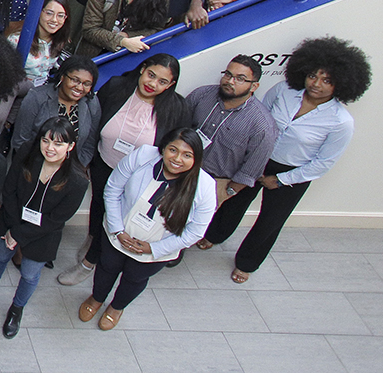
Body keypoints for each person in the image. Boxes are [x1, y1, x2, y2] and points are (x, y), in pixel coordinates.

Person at [201, 37, 369, 283]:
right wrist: (252, 163)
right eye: (313, 76)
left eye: (327, 81)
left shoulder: (341, 121)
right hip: (256, 158)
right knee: (233, 201)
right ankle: (213, 235)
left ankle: (247, 263)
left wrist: (280, 180)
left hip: (292, 173)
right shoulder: (283, 91)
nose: (316, 84)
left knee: (270, 221)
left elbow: (323, 163)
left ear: (342, 84)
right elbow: (256, 120)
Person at [58, 53, 191, 286]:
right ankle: (92, 239)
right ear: (142, 69)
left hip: (138, 177)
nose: (152, 84)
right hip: (104, 163)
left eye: (162, 81)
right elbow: (95, 120)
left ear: (171, 85)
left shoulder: (176, 107)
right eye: (151, 75)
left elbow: (176, 146)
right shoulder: (117, 86)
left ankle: (89, 263)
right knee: (98, 205)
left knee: (117, 216)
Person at [81, 128, 214, 330]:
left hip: (155, 249)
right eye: (173, 150)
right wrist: (118, 230)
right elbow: (113, 189)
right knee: (106, 268)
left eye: (187, 155)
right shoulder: (143, 156)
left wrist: (152, 249)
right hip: (118, 234)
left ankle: (116, 308)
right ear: (163, 148)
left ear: (196, 158)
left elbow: (194, 233)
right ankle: (96, 298)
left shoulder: (204, 186)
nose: (178, 159)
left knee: (135, 278)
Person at [0, 118, 88, 338]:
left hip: (43, 235)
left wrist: (18, 234)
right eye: (46, 140)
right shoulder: (26, 156)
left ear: (70, 147)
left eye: (58, 144)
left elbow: (56, 219)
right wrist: (12, 227)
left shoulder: (78, 180)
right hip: (11, 220)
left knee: (30, 274)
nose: (50, 148)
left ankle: (16, 308)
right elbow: (9, 190)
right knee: (0, 256)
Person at [182, 56, 278, 213]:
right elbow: (177, 127)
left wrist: (226, 192)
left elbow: (251, 170)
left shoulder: (262, 125)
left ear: (254, 86)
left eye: (240, 78)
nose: (230, 81)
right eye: (228, 74)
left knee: (190, 229)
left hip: (215, 182)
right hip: (180, 167)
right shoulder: (202, 94)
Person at [10, 57, 101, 170]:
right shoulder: (37, 98)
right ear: (62, 77)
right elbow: (20, 140)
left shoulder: (91, 102)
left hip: (69, 172)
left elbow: (89, 144)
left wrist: (75, 170)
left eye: (87, 84)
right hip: (32, 167)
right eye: (75, 80)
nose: (79, 87)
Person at [12, 0, 72, 86]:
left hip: (42, 90)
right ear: (38, 12)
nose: (54, 20)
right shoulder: (17, 40)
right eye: (49, 13)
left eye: (60, 16)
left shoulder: (61, 41)